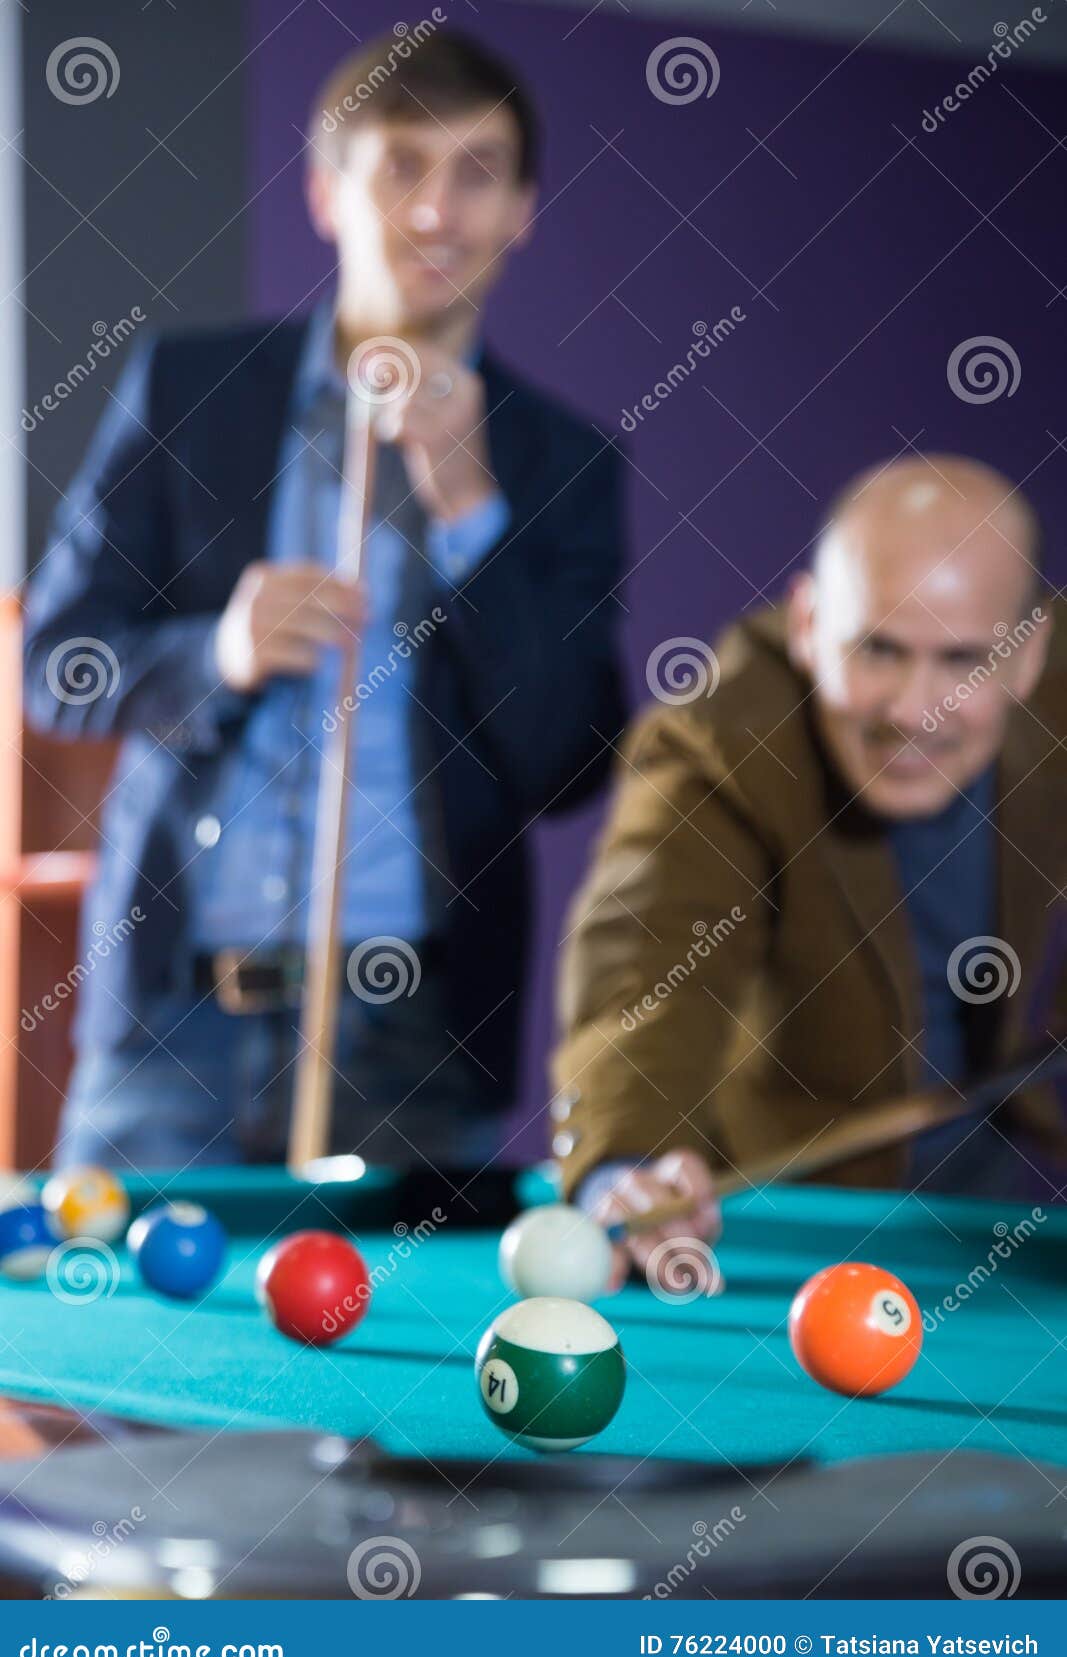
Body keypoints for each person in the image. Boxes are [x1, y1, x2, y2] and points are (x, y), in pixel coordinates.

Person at [23, 31, 625, 1171]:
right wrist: (219, 654)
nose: (437, 214)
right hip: (171, 1028)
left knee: (391, 1345)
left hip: (416, 1042)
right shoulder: (187, 391)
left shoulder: (561, 464)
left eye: (476, 174)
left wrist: (469, 516)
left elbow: (567, 759)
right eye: (400, 166)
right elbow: (57, 662)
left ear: (522, 212)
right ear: (323, 191)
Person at [553, 455, 1067, 1288]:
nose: (911, 708)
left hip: (987, 1224)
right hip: (783, 1221)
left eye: (961, 661)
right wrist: (626, 1163)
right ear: (805, 622)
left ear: (1026, 652)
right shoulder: (722, 738)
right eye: (877, 649)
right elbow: (644, 972)